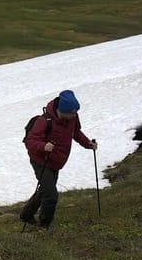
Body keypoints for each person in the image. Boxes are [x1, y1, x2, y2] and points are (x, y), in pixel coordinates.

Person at [19, 90, 97, 229]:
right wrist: (43, 146)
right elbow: (30, 141)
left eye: (75, 112)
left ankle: (26, 215)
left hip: (56, 161)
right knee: (51, 195)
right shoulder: (44, 121)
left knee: (45, 190)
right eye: (72, 112)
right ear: (63, 110)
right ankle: (44, 225)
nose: (75, 115)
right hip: (41, 160)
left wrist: (88, 144)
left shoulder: (72, 118)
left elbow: (76, 133)